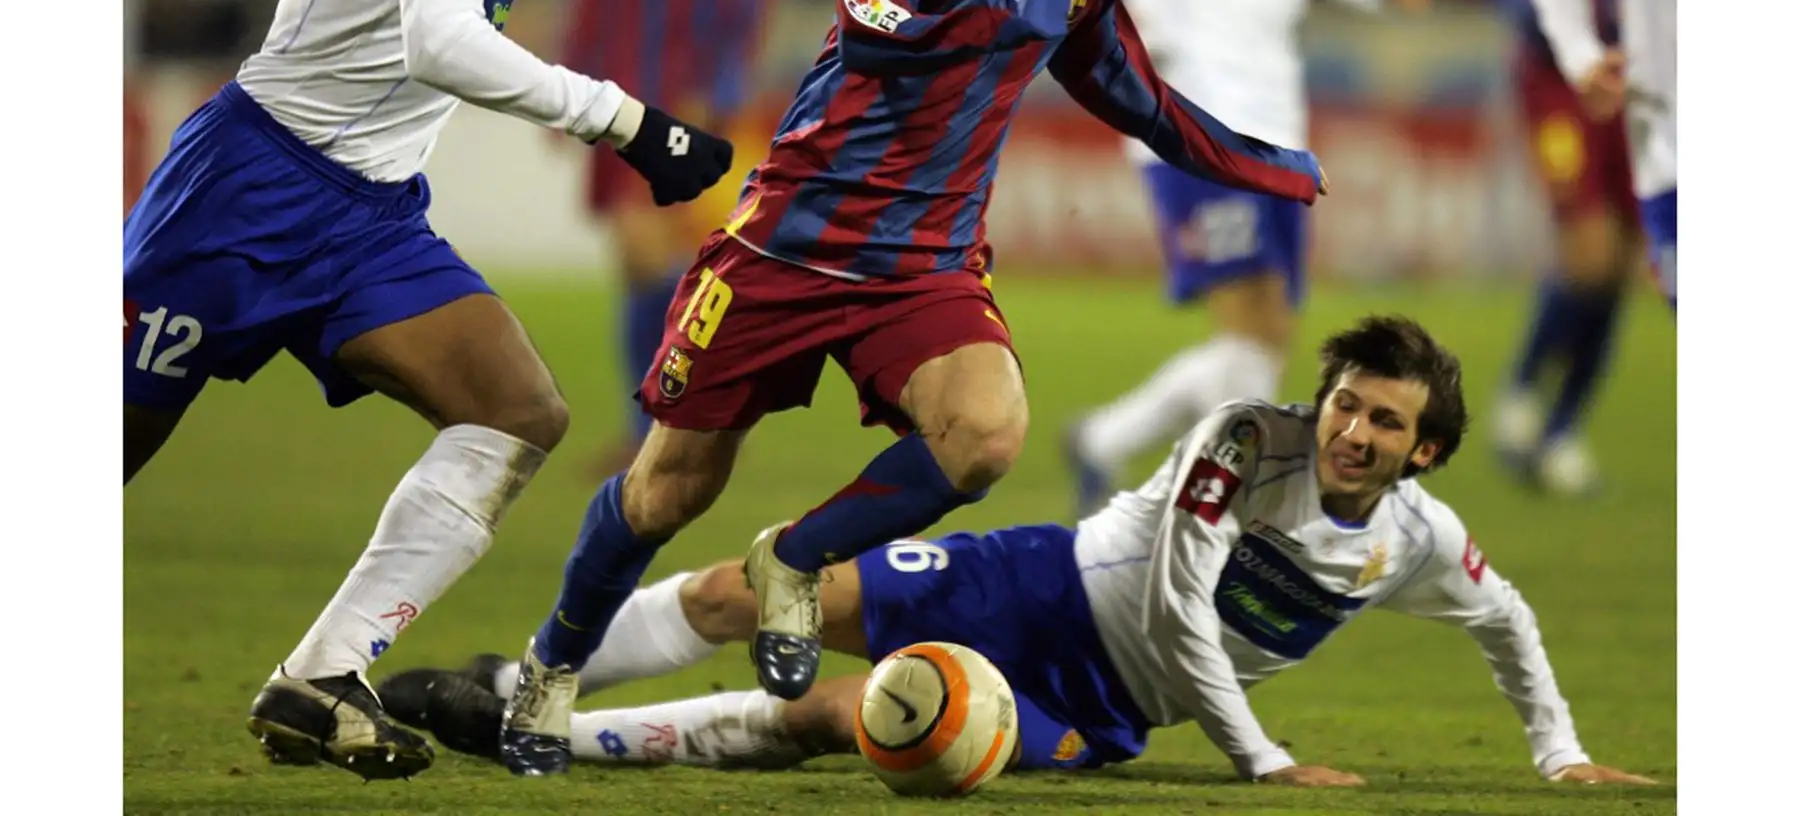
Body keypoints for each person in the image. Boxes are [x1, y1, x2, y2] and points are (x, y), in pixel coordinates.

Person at [495, 0, 1329, 777]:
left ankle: (795, 559)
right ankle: (550, 671)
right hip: (790, 242)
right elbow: (873, 21)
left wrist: (1264, 165)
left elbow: (1136, 94)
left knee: (986, 434)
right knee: (669, 489)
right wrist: (997, 12)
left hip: (926, 264)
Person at [122, 0, 732, 781]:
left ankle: (322, 676)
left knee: (518, 409)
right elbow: (441, 41)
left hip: (366, 217)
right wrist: (629, 121)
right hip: (246, 192)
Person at [379, 317, 1654, 790]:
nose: (1355, 432)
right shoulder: (1241, 442)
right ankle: (534, 682)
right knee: (744, 594)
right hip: (1037, 580)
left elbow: (1511, 621)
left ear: (1426, 455)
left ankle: (524, 736)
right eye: (1347, 404)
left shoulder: (1418, 542)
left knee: (851, 720)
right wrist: (1260, 761)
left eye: (1388, 423)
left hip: (1094, 711)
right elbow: (1186, 602)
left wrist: (1558, 753)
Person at [1064, 0, 1429, 519]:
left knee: (1265, 339)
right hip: (1182, 108)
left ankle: (1108, 441)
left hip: (1276, 109)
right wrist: (1129, 18)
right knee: (1245, 322)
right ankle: (1199, 502)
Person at [559, 0, 776, 478]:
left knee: (647, 244)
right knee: (636, 257)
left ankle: (665, 424)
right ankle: (671, 418)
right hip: (612, 90)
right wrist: (569, 84)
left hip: (673, 88)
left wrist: (721, 81)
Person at [1462, 0, 1645, 494]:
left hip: (1648, 81)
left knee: (1627, 264)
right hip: (1559, 78)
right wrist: (1526, 4)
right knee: (1589, 252)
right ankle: (1526, 392)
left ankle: (1561, 428)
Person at [1530, 0, 1677, 311]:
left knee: (1608, 260)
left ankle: (1551, 391)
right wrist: (1581, 55)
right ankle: (1529, 387)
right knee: (1593, 254)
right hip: (1655, 132)